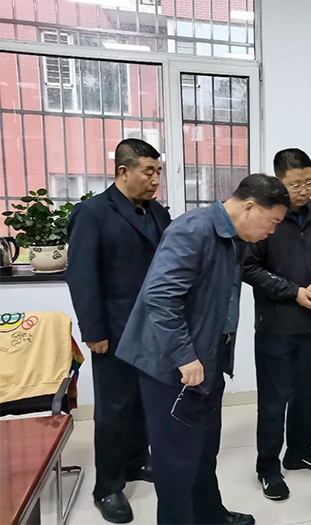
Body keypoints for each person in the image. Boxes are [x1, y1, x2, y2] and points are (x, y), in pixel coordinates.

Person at [116, 174, 291, 525]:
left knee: (204, 448)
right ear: (250, 207)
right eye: (272, 222)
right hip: (174, 366)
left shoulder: (231, 236)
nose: (272, 231)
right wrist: (185, 356)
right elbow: (161, 297)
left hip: (207, 359)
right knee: (176, 461)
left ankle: (209, 515)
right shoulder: (193, 230)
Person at [66, 138, 171, 524]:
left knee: (144, 401)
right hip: (113, 330)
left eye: (158, 172)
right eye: (148, 172)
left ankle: (136, 461)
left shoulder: (157, 213)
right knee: (114, 409)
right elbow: (82, 276)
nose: (155, 179)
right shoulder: (93, 212)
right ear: (123, 171)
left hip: (154, 328)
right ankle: (107, 487)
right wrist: (93, 330)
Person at [242, 149, 311, 501]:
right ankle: (268, 466)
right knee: (273, 399)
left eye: (309, 182)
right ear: (279, 182)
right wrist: (292, 291)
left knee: (304, 392)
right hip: (275, 324)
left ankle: (299, 451)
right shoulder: (266, 217)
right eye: (296, 184)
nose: (304, 190)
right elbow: (249, 268)